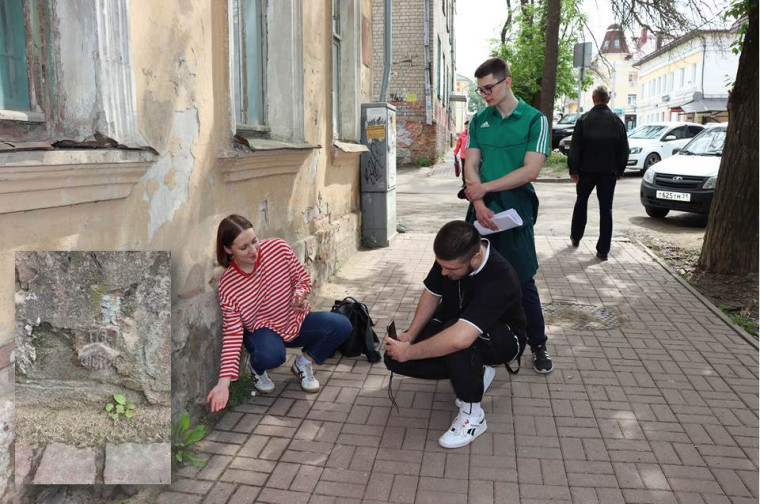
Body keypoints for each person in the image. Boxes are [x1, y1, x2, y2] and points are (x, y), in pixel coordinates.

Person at [384, 220, 526, 449]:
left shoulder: (501, 276)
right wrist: (409, 336)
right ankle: (472, 373)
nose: (443, 272)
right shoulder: (452, 257)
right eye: (441, 265)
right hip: (458, 324)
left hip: (505, 339)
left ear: (475, 259)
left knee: (459, 343)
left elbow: (460, 338)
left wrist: (410, 352)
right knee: (393, 358)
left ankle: (473, 415)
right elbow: (431, 292)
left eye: (451, 269)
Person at [461, 57, 553, 374]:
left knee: (522, 278)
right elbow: (471, 163)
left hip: (516, 210)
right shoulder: (478, 120)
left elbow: (530, 171)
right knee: (473, 276)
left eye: (489, 87)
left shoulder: (534, 120)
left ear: (507, 82)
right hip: (480, 209)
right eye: (480, 89)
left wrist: (484, 188)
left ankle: (537, 343)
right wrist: (481, 201)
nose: (484, 94)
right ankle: (481, 339)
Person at [206, 214, 351, 413]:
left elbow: (302, 278)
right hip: (262, 331)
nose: (254, 250)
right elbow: (232, 334)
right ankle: (257, 369)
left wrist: (299, 294)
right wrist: (223, 384)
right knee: (273, 356)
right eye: (244, 247)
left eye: (254, 241)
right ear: (227, 249)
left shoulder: (278, 248)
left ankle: (303, 363)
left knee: (341, 325)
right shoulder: (228, 285)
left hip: (292, 320)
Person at [567, 86, 629, 260]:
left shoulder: (584, 119)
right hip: (609, 172)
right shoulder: (617, 121)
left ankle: (576, 236)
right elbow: (624, 149)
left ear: (594, 99)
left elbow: (575, 147)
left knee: (581, 202)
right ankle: (603, 250)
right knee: (606, 209)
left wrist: (573, 169)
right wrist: (620, 170)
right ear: (607, 100)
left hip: (586, 171)